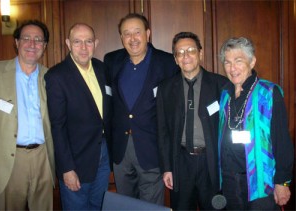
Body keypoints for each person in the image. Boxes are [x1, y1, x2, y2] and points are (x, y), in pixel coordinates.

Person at [103, 13, 179, 205]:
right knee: (125, 205)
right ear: (121, 38)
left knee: (151, 206)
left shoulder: (168, 62)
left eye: (137, 32)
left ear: (148, 33)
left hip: (152, 149)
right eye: (126, 34)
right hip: (121, 151)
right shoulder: (111, 61)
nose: (132, 38)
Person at [218, 37, 294, 210]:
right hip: (229, 180)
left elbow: (282, 140)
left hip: (259, 181)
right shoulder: (225, 95)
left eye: (238, 61)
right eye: (227, 62)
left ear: (252, 61)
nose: (232, 68)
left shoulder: (269, 93)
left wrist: (282, 182)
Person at [156, 32, 228, 210]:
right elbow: (162, 131)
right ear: (175, 59)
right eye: (180, 52)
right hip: (180, 162)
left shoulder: (221, 84)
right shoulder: (165, 88)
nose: (185, 56)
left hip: (211, 162)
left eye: (190, 50)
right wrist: (167, 168)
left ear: (200, 53)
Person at [45, 23, 111, 210]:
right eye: (77, 42)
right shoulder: (56, 76)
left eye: (88, 41)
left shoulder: (102, 69)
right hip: (75, 160)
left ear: (95, 43)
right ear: (68, 43)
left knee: (99, 206)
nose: (83, 47)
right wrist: (66, 169)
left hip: (103, 154)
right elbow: (57, 127)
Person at [0, 20, 55, 210]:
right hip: (9, 160)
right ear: (16, 42)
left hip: (43, 158)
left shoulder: (51, 78)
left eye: (38, 40)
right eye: (26, 38)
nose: (32, 44)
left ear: (44, 46)